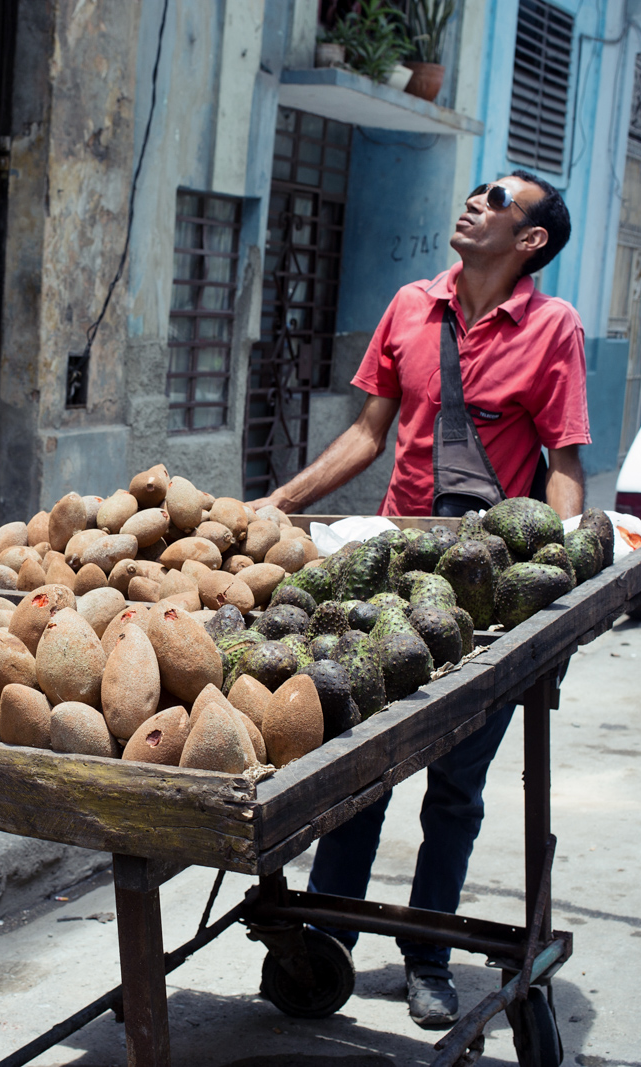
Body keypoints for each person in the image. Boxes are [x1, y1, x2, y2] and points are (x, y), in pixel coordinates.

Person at [248, 170, 589, 1030]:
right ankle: (322, 942)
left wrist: (553, 587)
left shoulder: (554, 329)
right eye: (475, 190)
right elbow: (369, 431)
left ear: (530, 241)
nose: (475, 201)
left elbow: (564, 464)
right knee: (354, 769)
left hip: (478, 590)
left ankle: (429, 956)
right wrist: (277, 503)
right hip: (391, 572)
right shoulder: (410, 306)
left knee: (456, 785)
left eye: (497, 199)